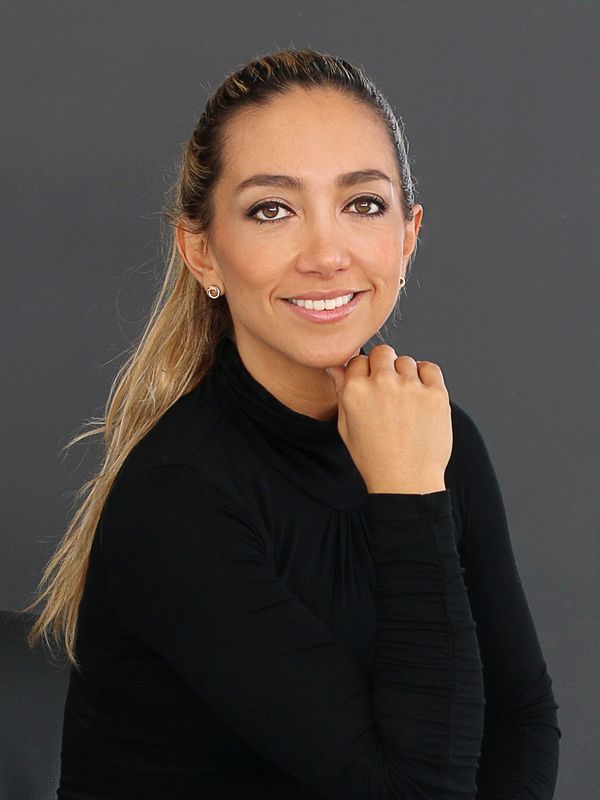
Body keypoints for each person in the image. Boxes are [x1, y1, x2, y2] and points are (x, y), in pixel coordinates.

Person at [22, 48, 561, 799]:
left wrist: (415, 477)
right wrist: (408, 495)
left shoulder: (437, 435)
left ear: (407, 235)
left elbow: (523, 716)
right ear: (202, 252)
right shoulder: (178, 497)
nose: (326, 254)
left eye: (363, 205)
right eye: (272, 209)